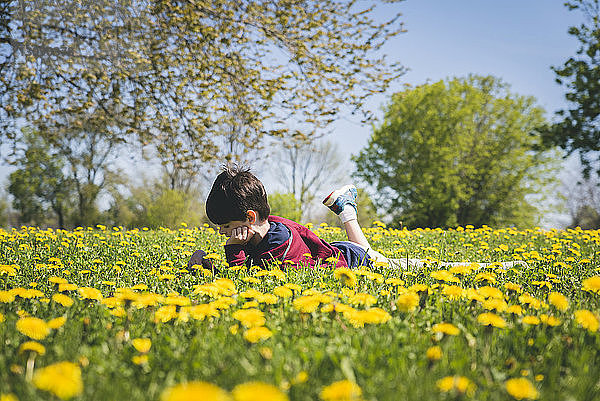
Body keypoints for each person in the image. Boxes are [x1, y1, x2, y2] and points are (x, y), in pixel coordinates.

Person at [188, 165, 384, 269]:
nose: (222, 232)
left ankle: (346, 209)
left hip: (354, 260)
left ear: (250, 217)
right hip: (337, 250)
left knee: (396, 264)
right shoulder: (255, 233)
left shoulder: (280, 245)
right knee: (369, 251)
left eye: (226, 226)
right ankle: (345, 209)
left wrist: (233, 249)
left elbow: (249, 281)